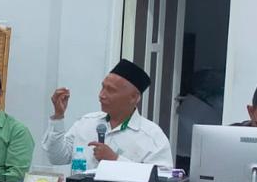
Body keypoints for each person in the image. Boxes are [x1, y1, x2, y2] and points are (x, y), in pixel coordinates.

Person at [43, 59, 172, 169]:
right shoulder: (86, 123)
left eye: (111, 90)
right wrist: (58, 116)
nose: (101, 95)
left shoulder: (152, 137)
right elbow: (57, 159)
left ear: (134, 97)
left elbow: (161, 181)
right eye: (102, 87)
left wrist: (115, 160)